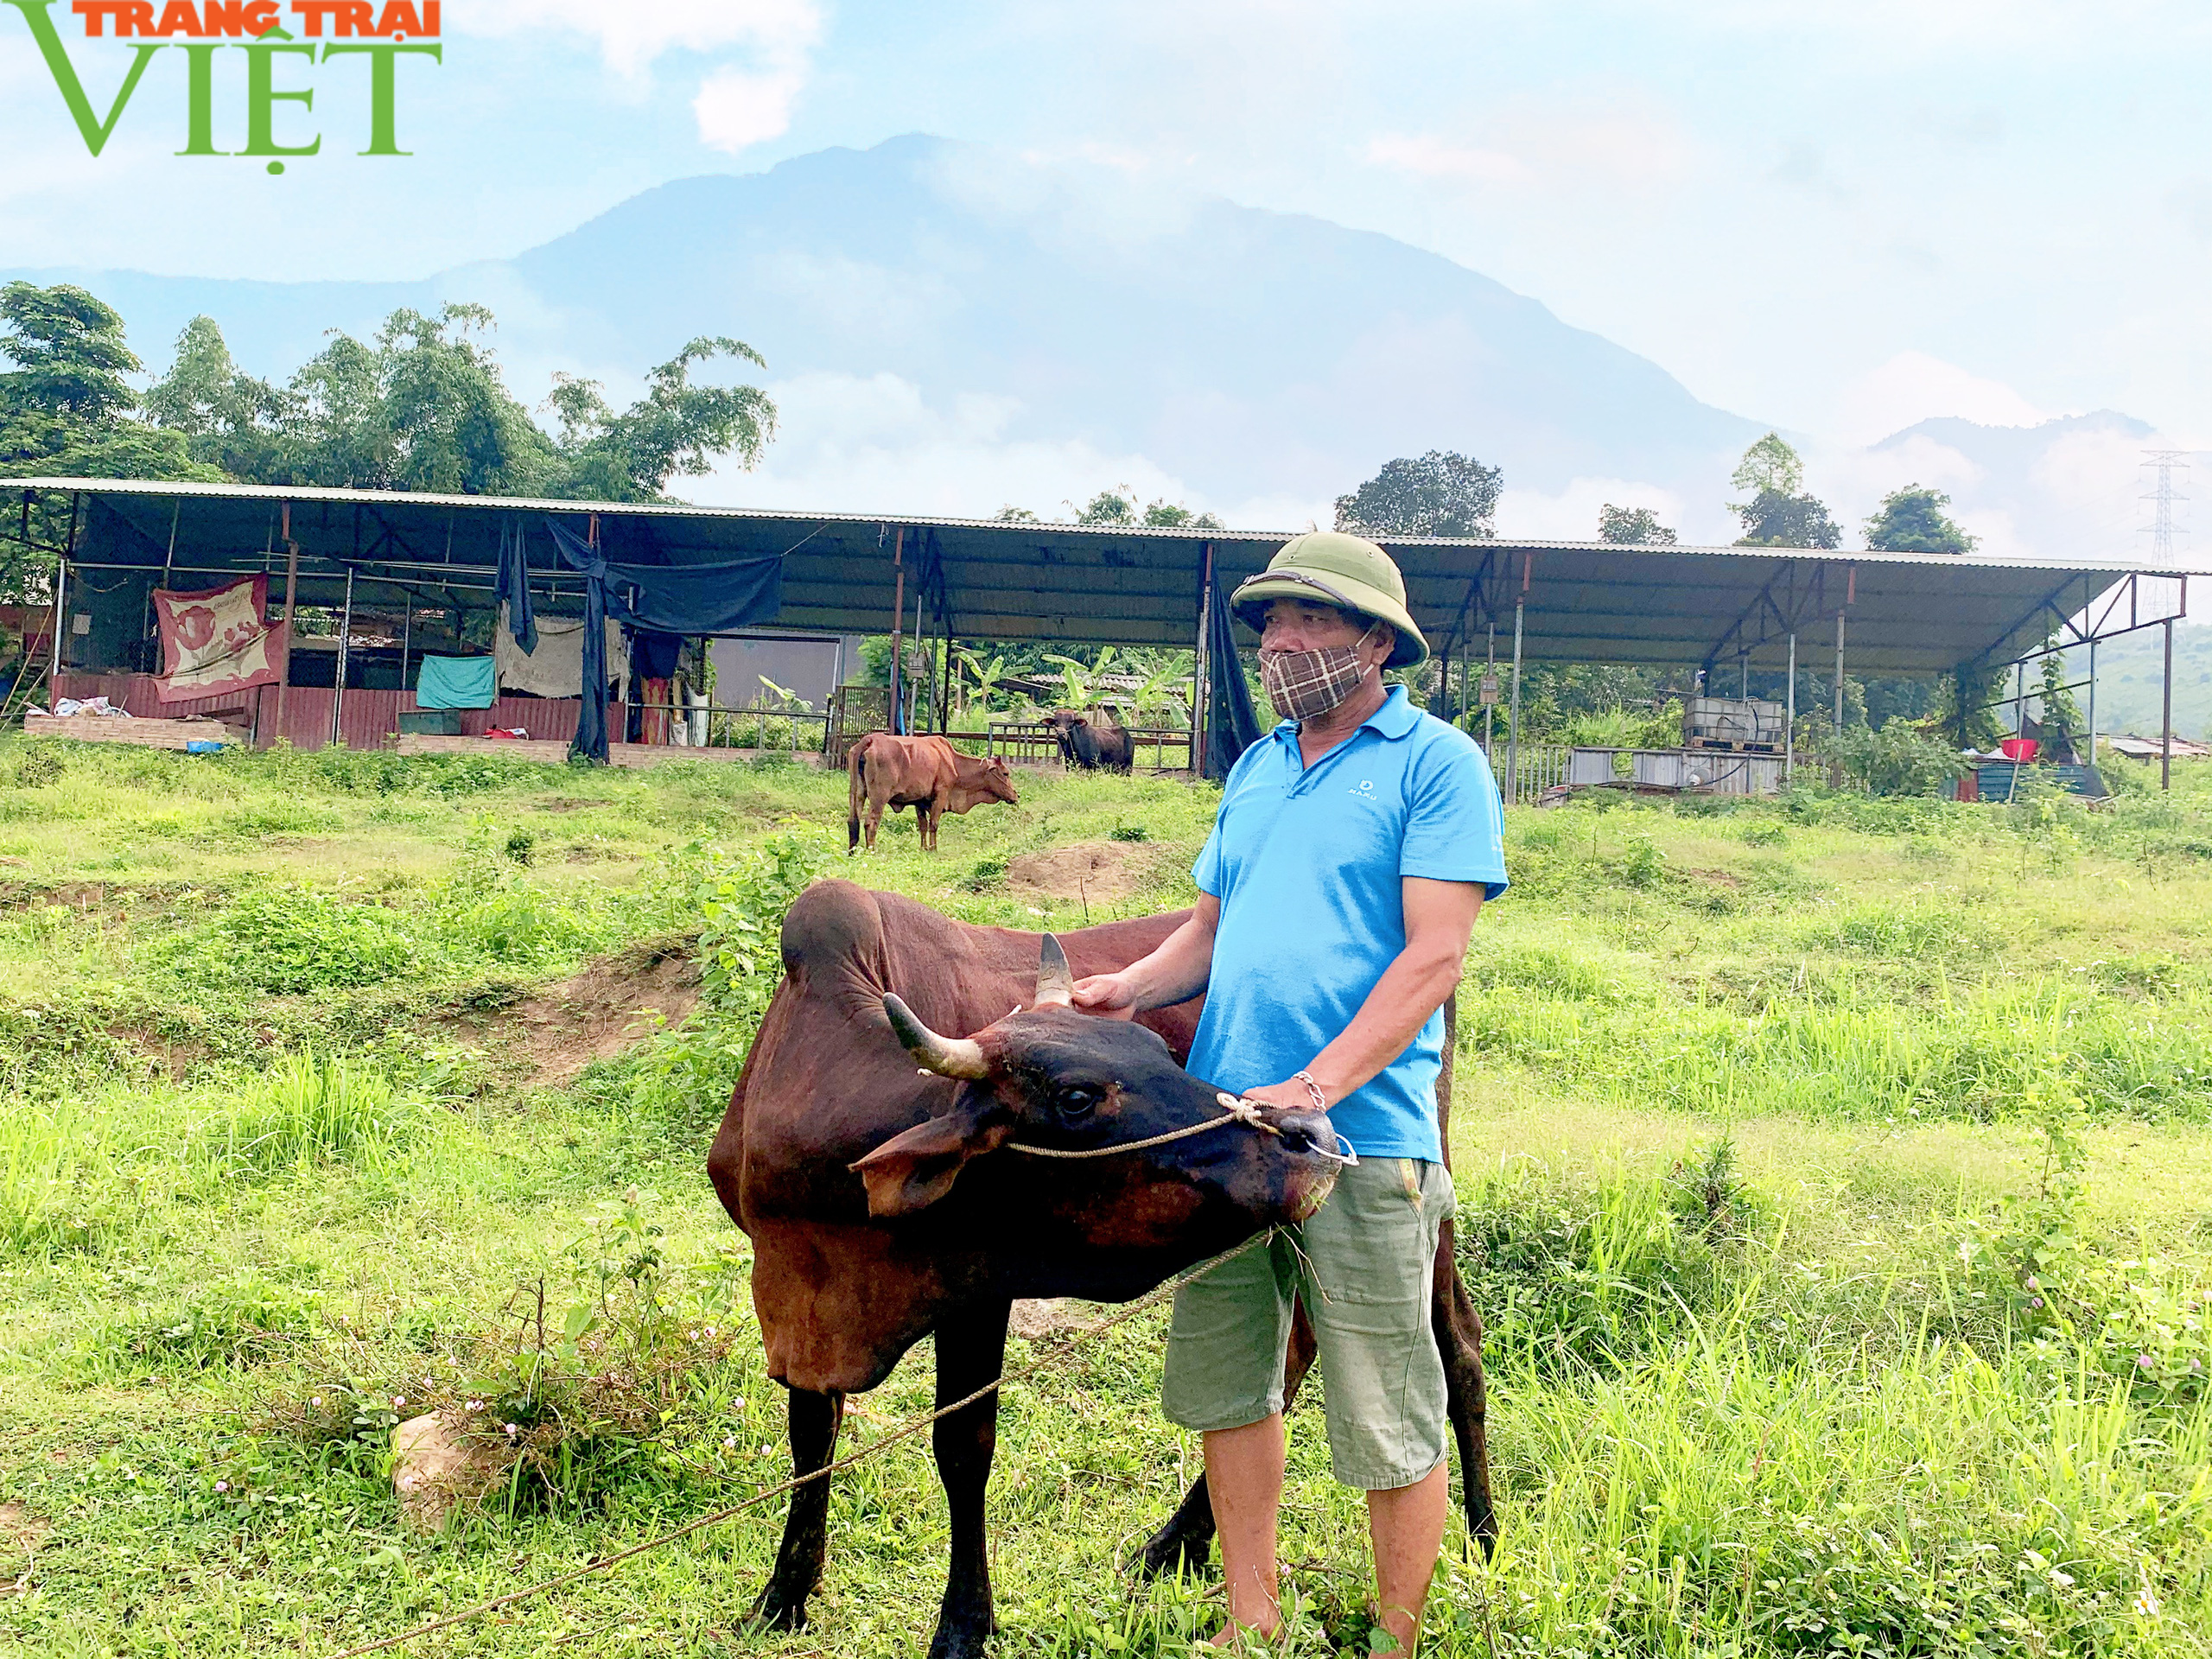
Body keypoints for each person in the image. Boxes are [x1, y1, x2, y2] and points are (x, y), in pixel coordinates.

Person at [1071, 531, 1508, 1653]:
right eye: (1269, 624)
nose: (1281, 643)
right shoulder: (1258, 768)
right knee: (1230, 1381)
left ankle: (1398, 1641)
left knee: (1384, 1405)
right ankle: (1249, 1622)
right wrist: (1130, 985)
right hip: (1228, 1136)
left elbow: (1433, 957)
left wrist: (1317, 1084)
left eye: (1309, 620)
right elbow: (1211, 933)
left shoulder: (1436, 765)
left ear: (1375, 639)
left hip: (1360, 1141)